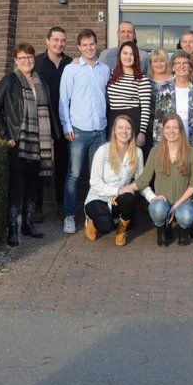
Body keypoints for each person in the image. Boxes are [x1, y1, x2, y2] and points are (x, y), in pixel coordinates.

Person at [0, 42, 56, 246]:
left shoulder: (40, 80)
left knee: (32, 186)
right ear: (16, 61)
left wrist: (50, 136)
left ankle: (28, 225)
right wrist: (5, 135)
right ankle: (13, 229)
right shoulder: (9, 81)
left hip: (39, 143)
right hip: (19, 143)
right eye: (22, 58)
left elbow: (48, 110)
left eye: (30, 57)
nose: (27, 61)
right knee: (16, 188)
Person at [59, 29, 111, 234]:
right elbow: (64, 99)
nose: (89, 48)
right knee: (74, 174)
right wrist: (67, 125)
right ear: (79, 47)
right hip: (78, 130)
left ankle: (92, 215)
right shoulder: (71, 70)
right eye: (85, 45)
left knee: (96, 176)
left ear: (96, 45)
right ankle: (69, 216)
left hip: (100, 130)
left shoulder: (104, 70)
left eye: (92, 44)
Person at [130, 113, 193, 246]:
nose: (171, 131)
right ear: (163, 130)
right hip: (162, 202)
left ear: (181, 130)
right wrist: (122, 190)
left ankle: (184, 230)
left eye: (175, 127)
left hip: (184, 202)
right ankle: (162, 229)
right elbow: (144, 179)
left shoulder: (192, 153)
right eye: (168, 127)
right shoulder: (155, 152)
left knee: (185, 216)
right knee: (158, 209)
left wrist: (176, 205)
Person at [83, 115, 144, 247]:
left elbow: (141, 182)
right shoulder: (103, 150)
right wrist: (117, 190)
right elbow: (94, 182)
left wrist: (154, 199)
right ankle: (91, 221)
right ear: (114, 131)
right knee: (105, 227)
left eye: (128, 128)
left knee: (130, 197)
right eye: (120, 127)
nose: (124, 131)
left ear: (132, 131)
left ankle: (121, 231)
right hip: (98, 197)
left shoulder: (137, 152)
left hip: (118, 199)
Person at [34, 26, 70, 223]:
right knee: (41, 164)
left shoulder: (70, 63)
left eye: (62, 40)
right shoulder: (37, 63)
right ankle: (37, 207)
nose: (59, 44)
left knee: (63, 165)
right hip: (43, 121)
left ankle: (61, 205)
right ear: (47, 41)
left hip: (64, 121)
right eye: (55, 40)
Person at [106, 42, 152, 149]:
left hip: (133, 123)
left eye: (132, 54)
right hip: (114, 121)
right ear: (119, 55)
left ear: (136, 57)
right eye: (125, 53)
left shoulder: (141, 80)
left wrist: (142, 132)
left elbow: (146, 108)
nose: (128, 57)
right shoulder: (111, 74)